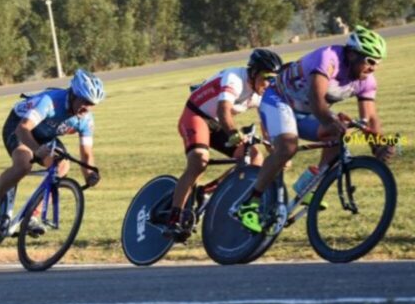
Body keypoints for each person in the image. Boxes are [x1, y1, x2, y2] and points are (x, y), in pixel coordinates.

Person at [238, 26, 395, 233]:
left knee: (338, 135)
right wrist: (330, 121)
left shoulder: (366, 81)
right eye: (370, 61)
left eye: (377, 63)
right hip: (279, 99)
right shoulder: (328, 58)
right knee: (287, 148)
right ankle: (249, 203)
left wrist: (377, 145)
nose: (373, 67)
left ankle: (310, 182)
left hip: (305, 110)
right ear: (353, 54)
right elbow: (316, 98)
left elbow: (370, 117)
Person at [167, 49, 283, 240]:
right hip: (197, 116)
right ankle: (174, 218)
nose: (269, 84)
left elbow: (266, 121)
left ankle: (207, 191)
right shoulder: (234, 78)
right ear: (253, 73)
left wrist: (274, 147)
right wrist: (234, 134)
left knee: (255, 158)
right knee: (199, 161)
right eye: (266, 78)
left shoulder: (261, 92)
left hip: (219, 123)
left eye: (273, 79)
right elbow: (223, 112)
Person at [0, 69, 105, 236]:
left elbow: (86, 154)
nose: (87, 108)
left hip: (45, 134)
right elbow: (23, 129)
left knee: (62, 166)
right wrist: (36, 150)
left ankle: (31, 217)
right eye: (84, 102)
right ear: (73, 94)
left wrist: (89, 175)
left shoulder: (86, 119)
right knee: (23, 165)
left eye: (92, 104)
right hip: (19, 126)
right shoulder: (50, 101)